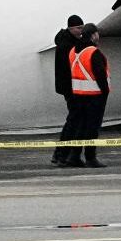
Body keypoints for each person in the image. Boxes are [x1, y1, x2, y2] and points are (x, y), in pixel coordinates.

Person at [67, 23, 109, 168]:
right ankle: (91, 158)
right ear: (93, 35)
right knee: (92, 128)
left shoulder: (73, 51)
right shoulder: (93, 52)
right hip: (94, 96)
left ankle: (74, 156)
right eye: (97, 34)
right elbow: (100, 74)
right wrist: (105, 91)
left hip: (78, 95)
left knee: (80, 126)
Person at [51, 15, 84, 166]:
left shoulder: (64, 42)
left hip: (68, 87)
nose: (80, 31)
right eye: (78, 28)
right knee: (74, 120)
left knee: (74, 119)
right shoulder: (68, 46)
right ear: (71, 28)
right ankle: (62, 154)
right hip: (72, 88)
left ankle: (63, 154)